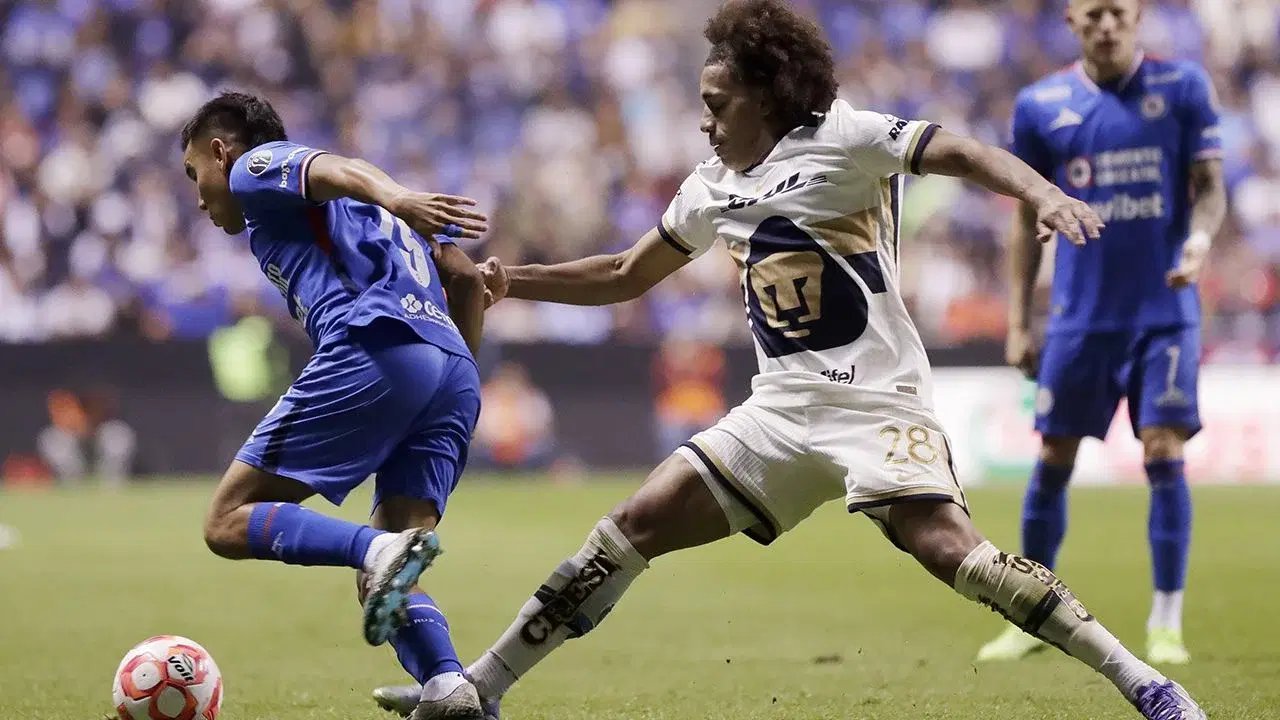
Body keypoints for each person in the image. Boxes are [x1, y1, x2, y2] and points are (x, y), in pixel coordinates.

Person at [373, 1, 1206, 718]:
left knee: (956, 554)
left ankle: (1144, 684)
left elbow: (961, 151)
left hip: (878, 403)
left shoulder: (847, 138)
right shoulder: (709, 185)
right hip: (779, 412)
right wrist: (510, 280)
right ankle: (478, 690)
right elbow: (628, 275)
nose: (704, 120)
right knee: (628, 528)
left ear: (768, 98)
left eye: (717, 103)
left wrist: (1044, 193)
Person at [181, 91, 493, 720]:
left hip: (375, 343)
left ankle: (375, 553)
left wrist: (397, 193)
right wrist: (444, 363)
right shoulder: (375, 217)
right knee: (389, 560)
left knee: (226, 520)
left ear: (221, 151)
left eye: (195, 174)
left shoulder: (254, 167)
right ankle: (448, 687)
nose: (199, 196)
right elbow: (465, 279)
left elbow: (331, 164)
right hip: (453, 370)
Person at [978, 0, 1226, 666]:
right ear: (1072, 22)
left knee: (1162, 449)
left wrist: (1200, 240)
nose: (1107, 25)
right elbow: (1021, 217)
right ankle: (1025, 616)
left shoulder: (1183, 88)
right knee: (1053, 457)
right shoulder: (1040, 105)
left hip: (1163, 313)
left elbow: (1209, 186)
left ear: (1138, 16)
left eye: (1118, 12)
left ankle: (1166, 624)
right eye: (1094, 15)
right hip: (1078, 320)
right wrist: (1017, 321)